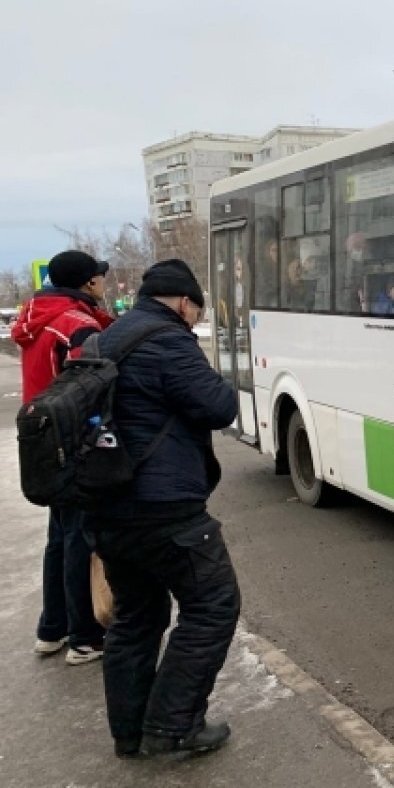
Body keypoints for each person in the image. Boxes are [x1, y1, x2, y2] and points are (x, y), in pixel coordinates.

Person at [85, 259, 241, 759]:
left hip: (108, 506)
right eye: (195, 308)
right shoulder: (169, 340)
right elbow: (218, 406)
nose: (195, 318)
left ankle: (129, 733)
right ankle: (173, 727)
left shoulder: (104, 339)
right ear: (182, 302)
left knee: (136, 616)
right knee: (213, 605)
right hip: (165, 509)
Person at [12, 250, 114, 665]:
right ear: (88, 283)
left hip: (40, 440)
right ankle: (84, 637)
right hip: (71, 442)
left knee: (59, 538)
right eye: (100, 278)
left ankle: (51, 630)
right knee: (80, 539)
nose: (104, 284)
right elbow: (88, 387)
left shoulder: (35, 318)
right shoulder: (76, 326)